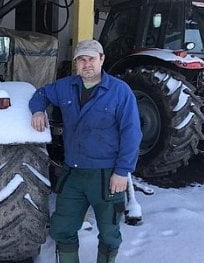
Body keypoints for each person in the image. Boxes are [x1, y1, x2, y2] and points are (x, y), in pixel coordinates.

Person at [29, 39, 142, 263]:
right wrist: (37, 111)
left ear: (102, 59)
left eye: (91, 58)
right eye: (81, 59)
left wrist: (122, 171)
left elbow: (132, 133)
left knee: (110, 233)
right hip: (74, 175)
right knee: (62, 228)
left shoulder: (120, 91)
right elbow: (40, 94)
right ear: (76, 64)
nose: (86, 64)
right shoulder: (65, 86)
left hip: (107, 176)